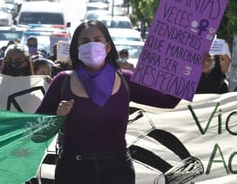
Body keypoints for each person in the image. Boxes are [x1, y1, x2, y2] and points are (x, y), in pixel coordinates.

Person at [36, 20, 181, 184]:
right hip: (73, 171)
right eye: (85, 41)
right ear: (76, 48)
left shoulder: (125, 79)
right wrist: (57, 116)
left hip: (117, 171)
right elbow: (36, 133)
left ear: (108, 47)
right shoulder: (62, 82)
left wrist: (193, 68)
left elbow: (169, 100)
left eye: (97, 40)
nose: (91, 45)